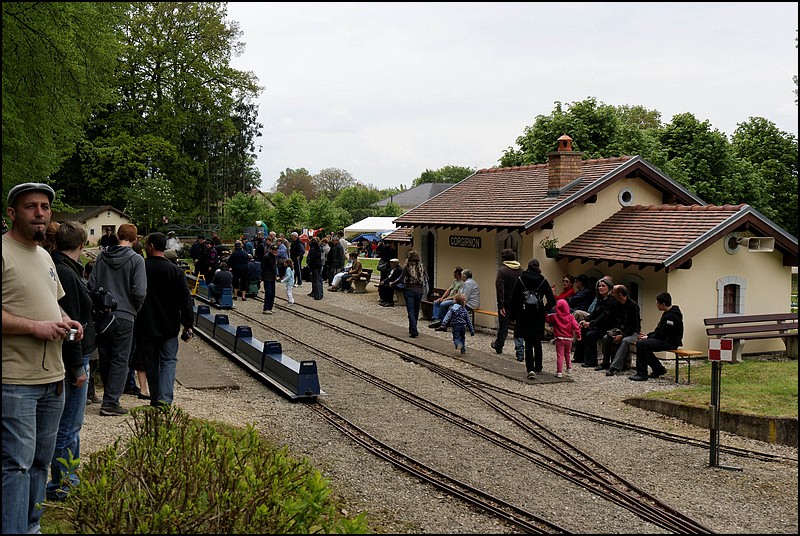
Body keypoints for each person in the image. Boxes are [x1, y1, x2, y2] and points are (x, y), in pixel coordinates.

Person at [2, 182, 85, 534]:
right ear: (12, 213)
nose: (40, 213)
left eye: (45, 207)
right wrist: (34, 328)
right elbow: (32, 318)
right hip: (15, 381)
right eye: (30, 206)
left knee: (40, 463)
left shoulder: (45, 256)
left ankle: (31, 527)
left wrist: (66, 322)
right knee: (15, 466)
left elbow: (52, 304)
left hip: (53, 379)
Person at [46, 221, 96, 500]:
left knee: (71, 424)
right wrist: (78, 367)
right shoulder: (65, 272)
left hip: (75, 354)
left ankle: (69, 476)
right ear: (82, 244)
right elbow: (72, 328)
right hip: (74, 356)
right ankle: (62, 482)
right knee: (69, 424)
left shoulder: (60, 266)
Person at [88, 222, 147, 416]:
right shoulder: (137, 260)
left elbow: (92, 285)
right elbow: (139, 291)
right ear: (135, 238)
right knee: (121, 359)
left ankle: (108, 395)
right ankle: (111, 401)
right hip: (125, 314)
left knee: (105, 357)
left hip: (104, 316)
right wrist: (134, 309)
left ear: (117, 236)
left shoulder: (101, 258)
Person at [136, 232, 194, 406]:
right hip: (169, 323)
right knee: (169, 361)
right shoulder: (174, 271)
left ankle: (155, 397)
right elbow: (185, 300)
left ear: (151, 246)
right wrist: (188, 325)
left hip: (145, 323)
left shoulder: (141, 268)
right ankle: (165, 399)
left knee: (151, 362)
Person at [507, 258, 555, 378]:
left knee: (528, 342)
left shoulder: (521, 279)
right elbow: (552, 300)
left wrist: (512, 315)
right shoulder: (543, 280)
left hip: (524, 314)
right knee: (537, 341)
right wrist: (544, 309)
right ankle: (539, 367)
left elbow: (514, 299)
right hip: (538, 315)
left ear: (528, 266)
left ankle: (530, 369)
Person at [630, 292, 684, 382]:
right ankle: (658, 369)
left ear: (663, 304)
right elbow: (659, 331)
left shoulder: (671, 316)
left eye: (657, 303)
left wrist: (648, 338)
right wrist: (648, 336)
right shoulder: (668, 314)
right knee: (644, 345)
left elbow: (663, 333)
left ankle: (642, 374)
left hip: (670, 342)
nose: (656, 305)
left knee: (641, 344)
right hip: (666, 340)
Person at [574, 276, 616, 368]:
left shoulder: (611, 301)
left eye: (603, 286)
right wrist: (586, 320)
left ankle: (591, 361)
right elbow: (594, 313)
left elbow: (604, 317)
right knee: (583, 330)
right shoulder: (600, 300)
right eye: (599, 286)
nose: (600, 288)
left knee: (590, 334)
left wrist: (590, 324)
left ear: (609, 288)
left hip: (607, 327)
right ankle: (579, 357)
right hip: (599, 325)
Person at [599, 284, 641, 376]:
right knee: (606, 338)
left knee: (625, 341)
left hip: (632, 333)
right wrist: (615, 332)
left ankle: (614, 367)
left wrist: (622, 335)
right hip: (620, 330)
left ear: (620, 294)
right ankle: (605, 362)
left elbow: (634, 326)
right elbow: (614, 320)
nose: (612, 294)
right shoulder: (616, 304)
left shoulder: (633, 306)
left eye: (614, 293)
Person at [491, 249, 524, 357]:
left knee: (503, 327)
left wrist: (501, 305)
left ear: (504, 259)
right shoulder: (522, 271)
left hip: (507, 304)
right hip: (519, 304)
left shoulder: (502, 271)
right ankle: (520, 352)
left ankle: (499, 345)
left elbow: (500, 289)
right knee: (519, 327)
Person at [392, 249, 428, 338]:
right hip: (419, 290)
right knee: (416, 310)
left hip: (409, 290)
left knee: (410, 311)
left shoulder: (407, 266)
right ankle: (413, 328)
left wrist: (393, 283)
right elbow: (426, 277)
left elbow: (401, 278)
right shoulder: (421, 266)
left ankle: (413, 329)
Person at [546, 298, 582, 378]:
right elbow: (576, 326)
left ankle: (559, 372)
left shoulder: (555, 316)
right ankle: (569, 369)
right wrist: (578, 335)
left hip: (559, 339)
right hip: (569, 339)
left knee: (560, 355)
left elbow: (547, 319)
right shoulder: (571, 317)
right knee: (568, 354)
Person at [261, 244, 279, 314]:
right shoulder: (267, 257)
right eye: (274, 250)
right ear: (271, 250)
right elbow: (262, 267)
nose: (275, 252)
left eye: (276, 250)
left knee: (272, 293)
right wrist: (261, 276)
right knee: (268, 293)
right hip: (267, 277)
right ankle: (266, 308)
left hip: (272, 277)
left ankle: (270, 307)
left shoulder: (274, 257)